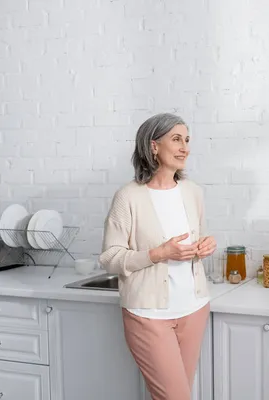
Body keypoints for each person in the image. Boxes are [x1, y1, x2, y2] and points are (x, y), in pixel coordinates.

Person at [99, 112, 216, 400]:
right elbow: (110, 257)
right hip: (148, 315)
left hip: (194, 308)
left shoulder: (193, 192)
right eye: (176, 139)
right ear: (153, 146)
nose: (184, 147)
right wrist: (158, 253)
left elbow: (195, 239)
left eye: (187, 140)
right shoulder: (128, 197)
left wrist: (205, 245)